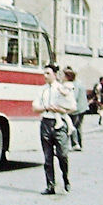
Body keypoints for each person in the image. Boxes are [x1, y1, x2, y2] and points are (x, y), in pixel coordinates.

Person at [32, 65, 74, 195]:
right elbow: (35, 107)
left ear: (55, 74)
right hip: (46, 122)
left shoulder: (62, 88)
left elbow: (72, 106)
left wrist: (62, 110)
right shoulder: (42, 90)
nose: (45, 76)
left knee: (62, 154)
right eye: (44, 73)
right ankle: (50, 186)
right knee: (47, 157)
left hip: (59, 123)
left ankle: (65, 178)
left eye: (48, 73)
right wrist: (46, 107)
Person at [66, 67, 87, 151]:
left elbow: (74, 96)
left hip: (76, 109)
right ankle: (79, 144)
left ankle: (75, 144)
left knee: (73, 126)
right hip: (83, 107)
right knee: (79, 126)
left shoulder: (73, 85)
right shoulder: (80, 83)